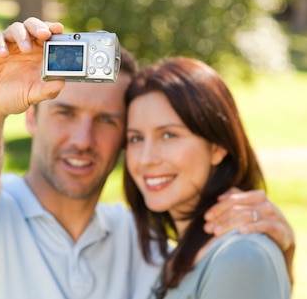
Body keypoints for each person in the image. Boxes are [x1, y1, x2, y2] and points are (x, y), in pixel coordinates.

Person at [0, 18, 295, 299]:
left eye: (107, 121)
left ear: (123, 139)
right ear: (32, 116)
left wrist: (276, 257)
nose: (83, 140)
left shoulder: (143, 243)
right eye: (65, 113)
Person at [123, 57, 291, 299]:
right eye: (136, 138)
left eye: (169, 135)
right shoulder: (182, 255)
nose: (146, 159)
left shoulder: (240, 256)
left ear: (217, 147)